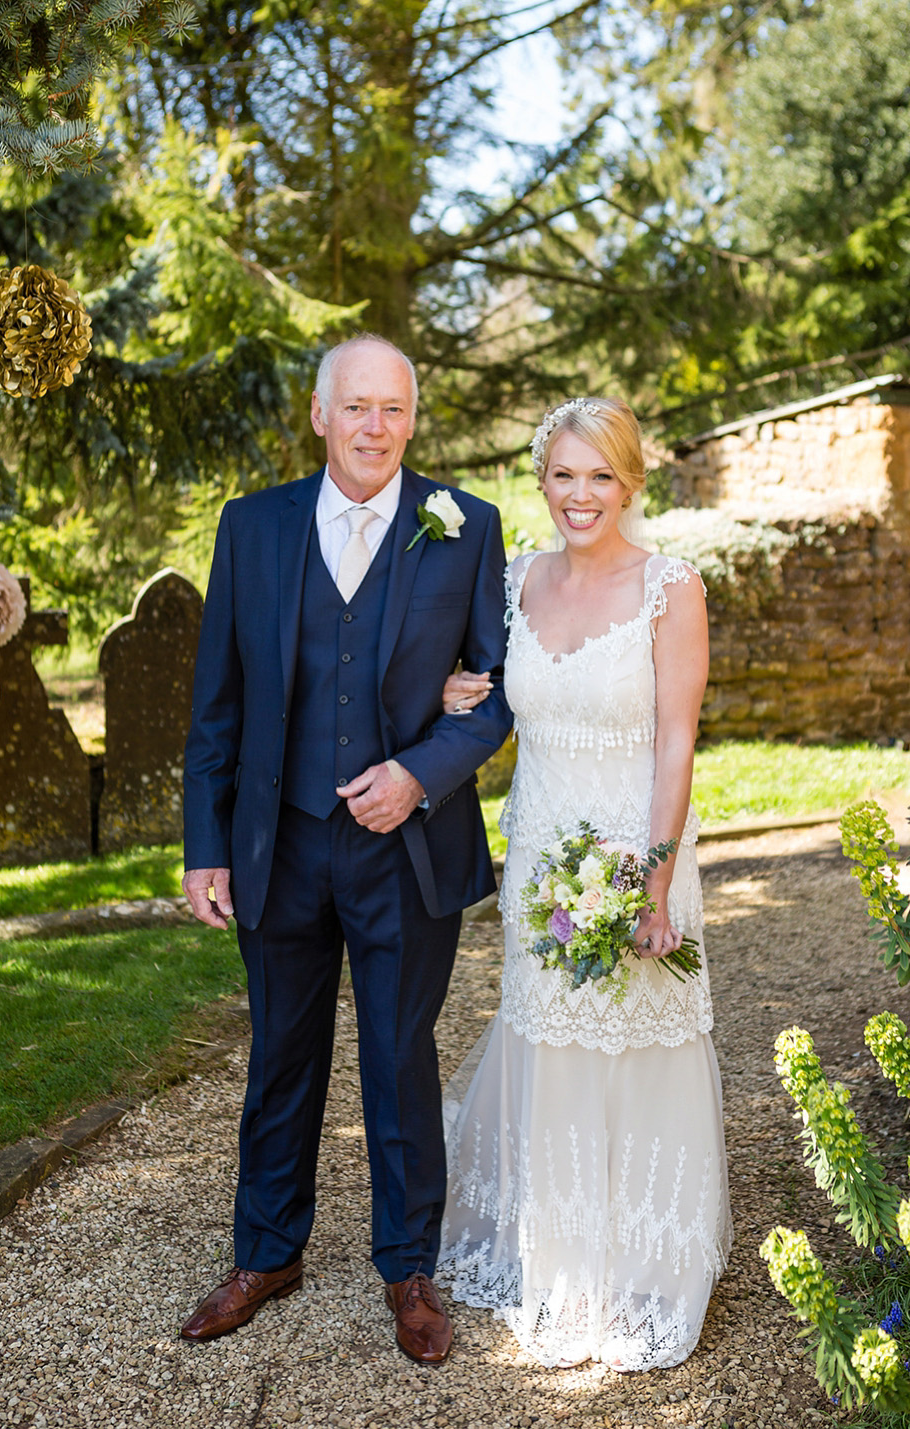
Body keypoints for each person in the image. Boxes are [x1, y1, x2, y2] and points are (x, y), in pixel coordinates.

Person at [179, 334, 512, 1363]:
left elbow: (501, 689)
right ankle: (267, 1253)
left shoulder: (465, 526)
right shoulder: (252, 527)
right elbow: (217, 703)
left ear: (414, 419)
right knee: (281, 1055)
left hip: (407, 849)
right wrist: (206, 846)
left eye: (396, 409)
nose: (377, 427)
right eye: (358, 407)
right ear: (320, 414)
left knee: (399, 1058)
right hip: (278, 845)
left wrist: (420, 770)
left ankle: (408, 1266)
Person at [436, 396, 731, 1371]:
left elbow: (679, 739)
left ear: (630, 481)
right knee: (553, 1039)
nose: (580, 494)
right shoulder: (515, 577)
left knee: (633, 1045)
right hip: (540, 856)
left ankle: (644, 1261)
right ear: (542, 481)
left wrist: (651, 878)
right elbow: (484, 683)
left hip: (632, 852)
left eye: (600, 475)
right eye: (564, 475)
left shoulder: (670, 586)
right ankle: (564, 1261)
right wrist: (451, 690)